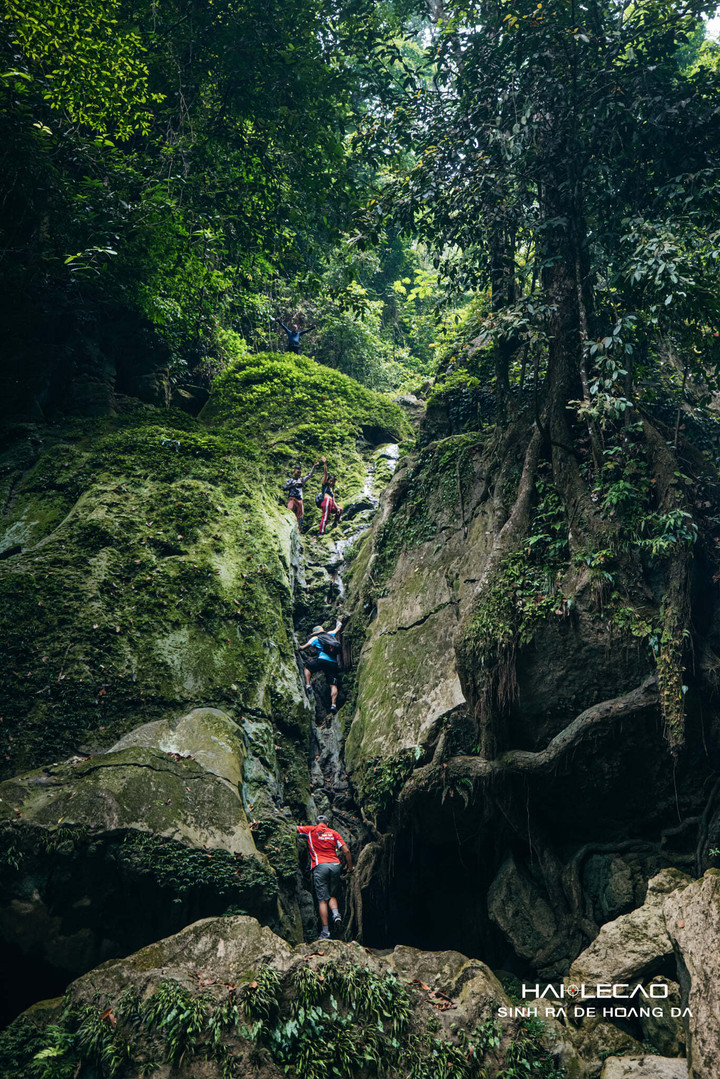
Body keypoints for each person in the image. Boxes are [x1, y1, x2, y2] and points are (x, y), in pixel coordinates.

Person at [297, 815, 353, 939]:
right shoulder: (334, 833)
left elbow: (296, 829)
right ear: (327, 823)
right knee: (331, 895)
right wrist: (350, 868)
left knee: (322, 900)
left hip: (320, 865)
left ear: (316, 823)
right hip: (335, 865)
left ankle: (325, 931)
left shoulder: (311, 830)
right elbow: (346, 851)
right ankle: (336, 914)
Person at [299, 618, 342, 714]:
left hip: (322, 660)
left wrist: (298, 648)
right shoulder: (330, 634)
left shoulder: (315, 638)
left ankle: (308, 685)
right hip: (333, 663)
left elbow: (304, 647)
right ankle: (333, 705)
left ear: (315, 633)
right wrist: (339, 621)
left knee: (308, 667)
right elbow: (338, 628)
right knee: (333, 684)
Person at [282, 461, 319, 532]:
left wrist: (314, 466)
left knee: (300, 515)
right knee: (289, 511)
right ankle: (287, 528)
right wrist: (293, 485)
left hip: (300, 500)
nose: (299, 474)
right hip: (292, 498)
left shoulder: (301, 480)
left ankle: (298, 529)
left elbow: (309, 475)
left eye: (300, 472)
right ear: (294, 472)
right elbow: (284, 488)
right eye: (297, 472)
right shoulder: (290, 480)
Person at [318, 457, 342, 536]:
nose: (331, 483)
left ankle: (335, 523)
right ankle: (321, 532)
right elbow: (325, 473)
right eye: (330, 481)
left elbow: (333, 500)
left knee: (340, 510)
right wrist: (325, 463)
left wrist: (337, 508)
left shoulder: (332, 490)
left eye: (333, 482)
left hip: (331, 503)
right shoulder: (325, 486)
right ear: (327, 480)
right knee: (325, 516)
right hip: (326, 502)